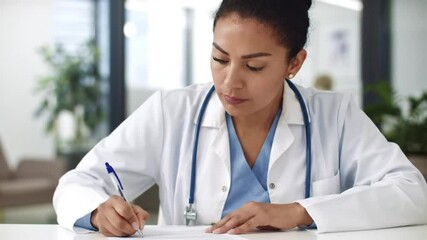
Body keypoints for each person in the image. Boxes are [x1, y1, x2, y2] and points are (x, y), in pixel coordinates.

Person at [53, 0, 427, 237]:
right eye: (219, 59)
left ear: (294, 63)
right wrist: (98, 211)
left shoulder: (335, 115)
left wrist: (297, 212)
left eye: (255, 65)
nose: (230, 81)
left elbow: (412, 192)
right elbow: (77, 182)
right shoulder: (172, 111)